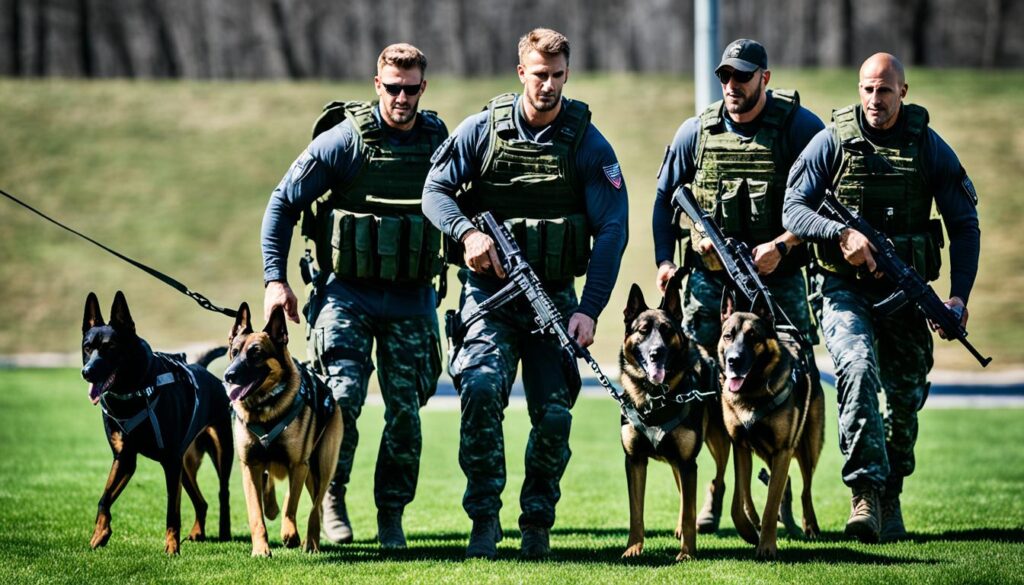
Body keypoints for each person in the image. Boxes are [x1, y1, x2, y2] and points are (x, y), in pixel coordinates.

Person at [422, 28, 628, 560]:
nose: (550, 86)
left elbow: (612, 229)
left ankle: (537, 523)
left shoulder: (586, 141)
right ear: (521, 73)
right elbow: (434, 190)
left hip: (554, 300)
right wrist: (466, 234)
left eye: (559, 76)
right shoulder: (482, 130)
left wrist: (589, 310)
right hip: (488, 298)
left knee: (556, 415)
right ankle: (484, 521)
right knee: (483, 390)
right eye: (540, 75)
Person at [782, 53, 981, 543]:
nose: (875, 99)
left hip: (906, 295)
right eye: (867, 89)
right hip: (842, 288)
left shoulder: (928, 147)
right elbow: (793, 208)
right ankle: (865, 494)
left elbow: (964, 224)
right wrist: (840, 234)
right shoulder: (832, 141)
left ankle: (891, 490)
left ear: (903, 92)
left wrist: (956, 298)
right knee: (855, 365)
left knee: (906, 396)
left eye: (885, 90)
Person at [261, 43, 448, 549]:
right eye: (393, 88)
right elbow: (282, 203)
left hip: (411, 298)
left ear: (423, 88)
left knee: (406, 411)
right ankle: (331, 496)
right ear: (377, 84)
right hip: (347, 295)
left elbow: (467, 205)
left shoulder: (439, 141)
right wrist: (275, 281)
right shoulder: (345, 142)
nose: (402, 98)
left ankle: (391, 514)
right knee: (341, 398)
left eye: (412, 89)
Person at [650, 38, 825, 533]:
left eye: (742, 77)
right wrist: (668, 261)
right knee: (703, 394)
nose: (732, 86)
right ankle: (712, 490)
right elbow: (665, 200)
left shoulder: (799, 128)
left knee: (787, 390)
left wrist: (784, 245)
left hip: (780, 288)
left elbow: (825, 204)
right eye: (725, 76)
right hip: (710, 288)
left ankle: (782, 493)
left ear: (764, 79)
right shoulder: (696, 132)